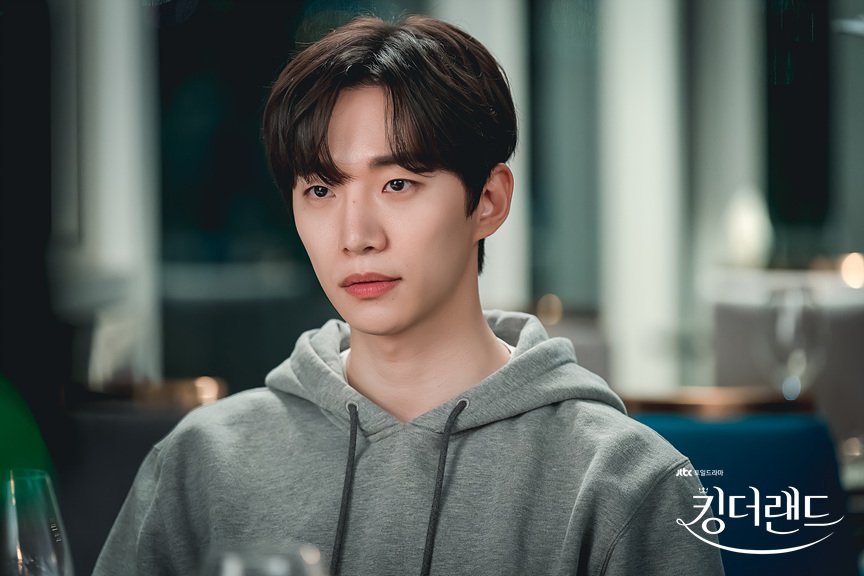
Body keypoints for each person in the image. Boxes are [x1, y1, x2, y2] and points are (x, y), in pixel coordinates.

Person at [93, 15, 724, 576]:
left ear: (489, 200)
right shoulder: (202, 462)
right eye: (321, 190)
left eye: (397, 184)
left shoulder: (623, 482)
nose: (356, 236)